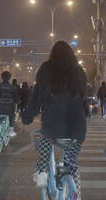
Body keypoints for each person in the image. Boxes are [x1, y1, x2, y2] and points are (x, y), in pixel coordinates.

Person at [22, 41, 87, 196]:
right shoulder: (79, 71)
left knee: (45, 143)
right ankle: (76, 191)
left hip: (53, 126)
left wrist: (28, 117)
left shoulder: (46, 69)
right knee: (71, 163)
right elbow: (82, 97)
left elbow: (37, 98)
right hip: (77, 128)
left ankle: (42, 172)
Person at [0, 71, 19, 137]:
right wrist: (18, 102)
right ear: (9, 78)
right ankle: (11, 130)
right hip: (9, 108)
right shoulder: (12, 88)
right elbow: (16, 99)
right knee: (12, 115)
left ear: (2, 77)